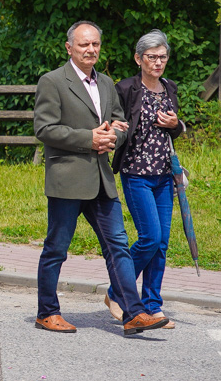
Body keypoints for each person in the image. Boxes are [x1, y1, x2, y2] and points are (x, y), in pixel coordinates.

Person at [33, 20, 169, 335]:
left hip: (101, 179)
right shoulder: (53, 81)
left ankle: (133, 313)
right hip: (67, 179)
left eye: (95, 44)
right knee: (57, 247)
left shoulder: (107, 83)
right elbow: (45, 128)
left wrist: (112, 138)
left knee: (118, 246)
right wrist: (89, 138)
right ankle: (47, 311)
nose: (91, 50)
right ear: (69, 48)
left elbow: (121, 122)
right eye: (84, 45)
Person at [109, 29, 184, 329]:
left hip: (164, 176)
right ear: (138, 59)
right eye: (152, 57)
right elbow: (114, 122)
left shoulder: (169, 88)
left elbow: (176, 129)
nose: (158, 63)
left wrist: (175, 125)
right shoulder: (125, 88)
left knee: (162, 243)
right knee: (150, 237)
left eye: (162, 57)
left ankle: (152, 307)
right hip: (136, 174)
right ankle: (117, 291)